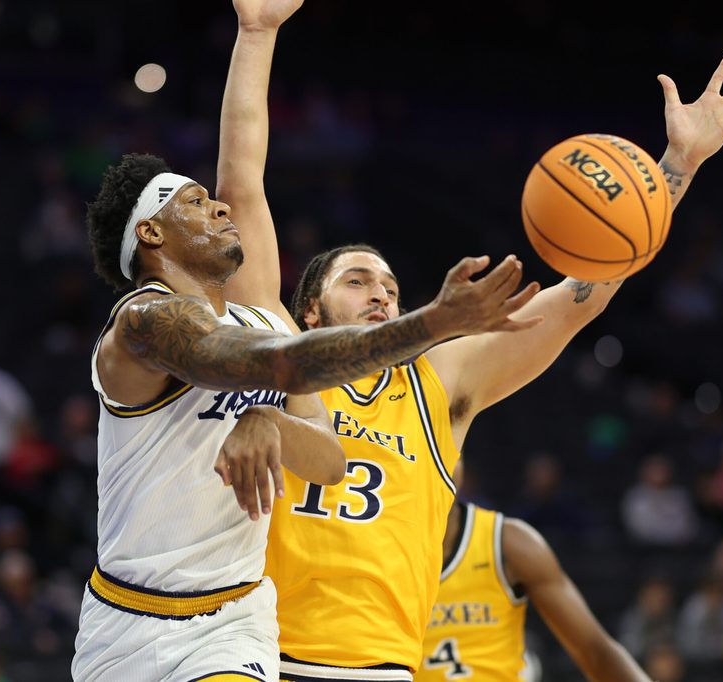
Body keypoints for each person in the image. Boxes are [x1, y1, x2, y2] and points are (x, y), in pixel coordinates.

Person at [216, 1, 723, 678]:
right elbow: (241, 191)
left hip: (378, 668)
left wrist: (674, 167)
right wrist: (257, 32)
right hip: (252, 659)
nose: (382, 295)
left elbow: (577, 299)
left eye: (390, 285)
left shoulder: (440, 380)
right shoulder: (277, 354)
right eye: (358, 281)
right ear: (308, 311)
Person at [71, 149, 542, 678]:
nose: (222, 208)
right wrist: (431, 324)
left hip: (233, 621)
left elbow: (330, 461)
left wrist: (270, 421)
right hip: (127, 619)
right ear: (152, 234)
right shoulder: (143, 323)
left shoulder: (257, 318)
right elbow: (281, 366)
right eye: (197, 201)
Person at [417, 462, 653, 682]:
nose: (442, 461)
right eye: (432, 452)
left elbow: (595, 649)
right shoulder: (382, 553)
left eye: (451, 451)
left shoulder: (508, 542)